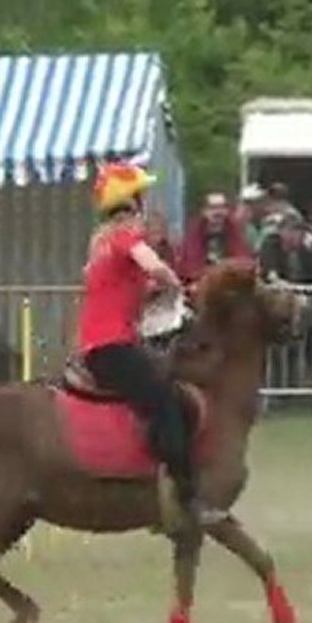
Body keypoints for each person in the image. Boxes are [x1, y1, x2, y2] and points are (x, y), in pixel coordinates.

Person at [77, 161, 212, 532]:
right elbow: (156, 269)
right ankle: (184, 497)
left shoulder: (101, 242)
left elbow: (125, 288)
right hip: (112, 346)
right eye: (141, 195)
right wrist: (178, 286)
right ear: (132, 200)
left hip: (98, 344)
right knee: (165, 402)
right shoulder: (125, 237)